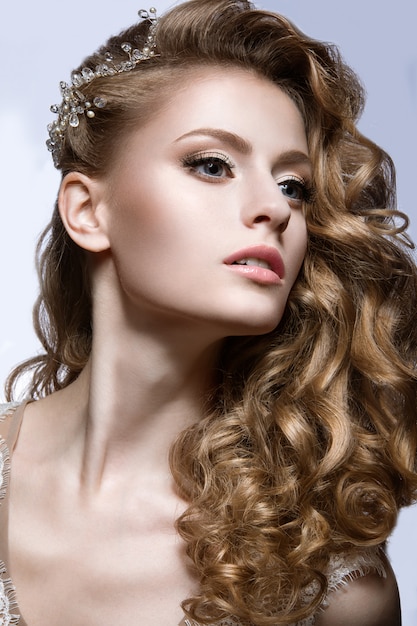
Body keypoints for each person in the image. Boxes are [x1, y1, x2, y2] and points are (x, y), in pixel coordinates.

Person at [2, 0, 416, 624]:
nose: (274, 210)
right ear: (89, 211)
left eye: (292, 186)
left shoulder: (329, 578)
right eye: (212, 165)